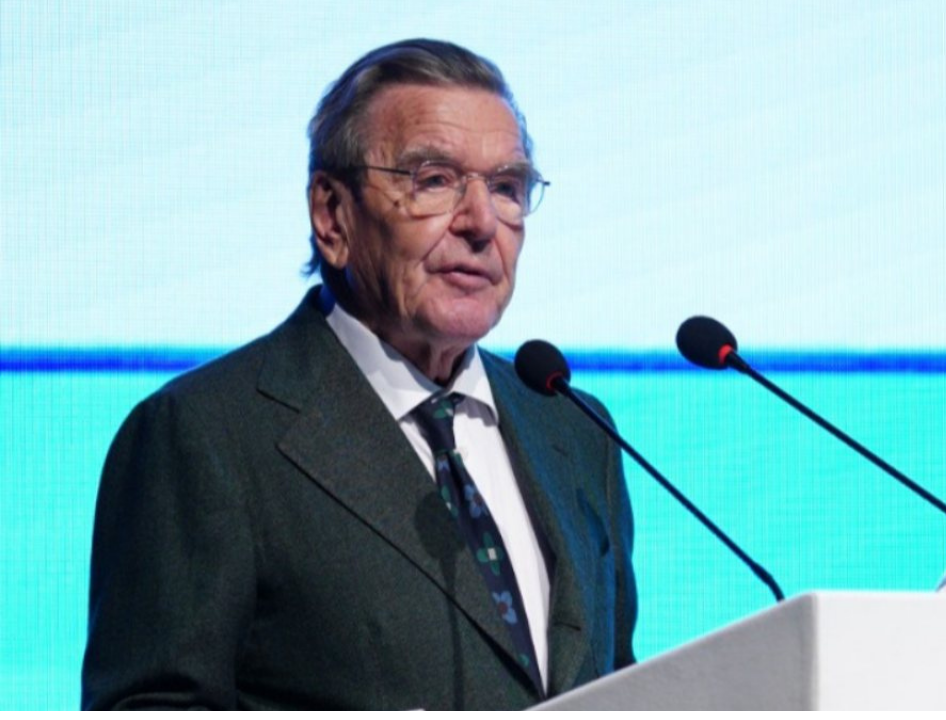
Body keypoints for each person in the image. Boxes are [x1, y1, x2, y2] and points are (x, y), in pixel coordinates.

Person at [81, 39, 638, 710]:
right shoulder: (204, 435)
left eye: (506, 188)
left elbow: (619, 685)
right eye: (433, 180)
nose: (481, 223)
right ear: (332, 216)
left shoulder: (574, 430)